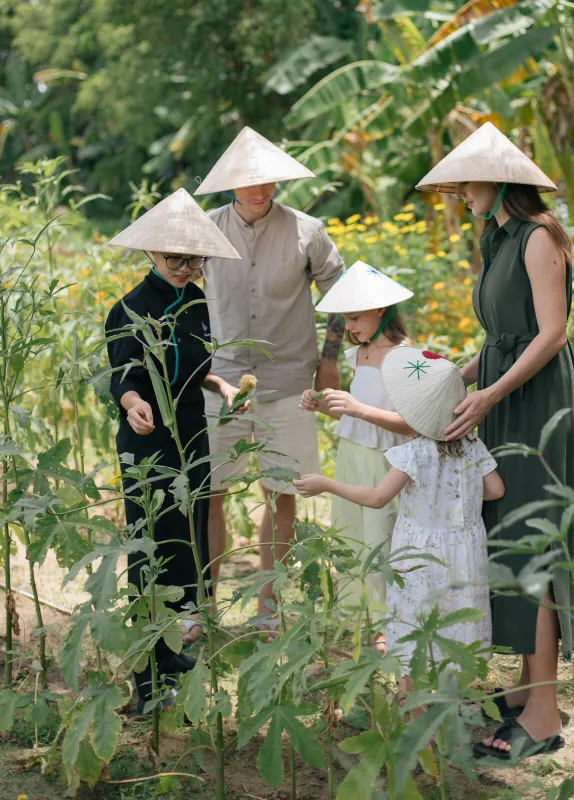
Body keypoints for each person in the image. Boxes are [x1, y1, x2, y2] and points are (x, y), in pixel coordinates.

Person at [416, 121, 574, 759]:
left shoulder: (540, 237)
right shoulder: (496, 237)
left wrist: (489, 393)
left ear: (498, 178)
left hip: (538, 402)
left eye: (465, 181)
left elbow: (551, 334)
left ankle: (543, 713)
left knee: (532, 539)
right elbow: (500, 339)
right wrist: (457, 379)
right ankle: (530, 686)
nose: (458, 192)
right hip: (507, 392)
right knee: (508, 532)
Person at [194, 126, 345, 627]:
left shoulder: (308, 230)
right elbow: (172, 286)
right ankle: (202, 607)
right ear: (230, 183)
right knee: (208, 493)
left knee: (284, 493)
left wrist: (330, 357)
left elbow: (340, 296)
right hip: (221, 383)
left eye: (269, 180)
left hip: (290, 381)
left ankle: (269, 608)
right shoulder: (206, 231)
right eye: (250, 181)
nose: (261, 190)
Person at [295, 347, 504, 704]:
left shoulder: (414, 453)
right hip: (464, 551)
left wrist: (327, 484)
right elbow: (495, 490)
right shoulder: (473, 446)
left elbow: (378, 497)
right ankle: (453, 707)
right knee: (458, 619)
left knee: (416, 625)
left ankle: (418, 714)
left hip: (418, 555)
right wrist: (457, 503)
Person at [105, 188, 244, 710]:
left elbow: (199, 368)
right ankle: (148, 676)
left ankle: (176, 649)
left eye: (193, 259)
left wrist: (226, 389)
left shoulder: (196, 301)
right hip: (147, 440)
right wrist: (133, 403)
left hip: (191, 434)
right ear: (152, 255)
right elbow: (123, 375)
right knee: (153, 547)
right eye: (174, 259)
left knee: (189, 538)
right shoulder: (129, 308)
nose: (185, 268)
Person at [300, 260, 413, 650]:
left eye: (354, 317)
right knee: (350, 535)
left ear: (381, 309)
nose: (349, 327)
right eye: (345, 319)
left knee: (381, 538)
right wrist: (322, 405)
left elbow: (411, 423)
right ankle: (359, 614)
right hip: (351, 452)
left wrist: (357, 408)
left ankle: (388, 620)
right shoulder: (360, 354)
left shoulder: (402, 357)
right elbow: (355, 410)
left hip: (383, 459)